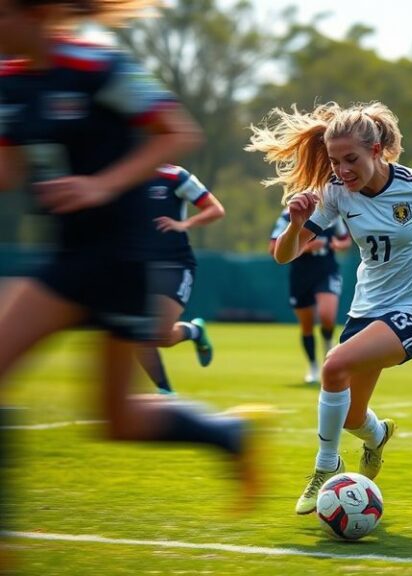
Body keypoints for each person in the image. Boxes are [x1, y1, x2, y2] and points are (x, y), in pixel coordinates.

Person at [0, 0, 268, 517]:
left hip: (117, 261)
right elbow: (7, 172)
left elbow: (180, 131)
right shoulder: (9, 83)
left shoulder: (98, 66)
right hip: (69, 258)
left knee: (113, 416)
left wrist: (100, 184)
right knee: (117, 420)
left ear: (33, 15)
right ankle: (228, 432)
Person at [246, 101, 412, 514]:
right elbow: (284, 256)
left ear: (376, 151)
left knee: (332, 365)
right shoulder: (337, 194)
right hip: (367, 311)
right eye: (334, 161)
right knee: (350, 416)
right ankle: (377, 436)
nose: (342, 170)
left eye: (351, 160)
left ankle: (326, 467)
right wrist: (294, 224)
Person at [137, 164, 224, 395]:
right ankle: (166, 394)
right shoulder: (122, 175)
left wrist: (183, 225)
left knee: (158, 336)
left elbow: (215, 209)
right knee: (135, 333)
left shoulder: (175, 176)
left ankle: (194, 331)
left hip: (174, 265)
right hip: (137, 267)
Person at [269, 208, 351, 384]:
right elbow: (273, 248)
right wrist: (306, 247)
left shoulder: (331, 211)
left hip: (326, 271)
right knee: (307, 325)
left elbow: (345, 241)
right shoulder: (288, 215)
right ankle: (313, 366)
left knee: (327, 315)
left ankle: (328, 346)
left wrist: (335, 245)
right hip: (301, 275)